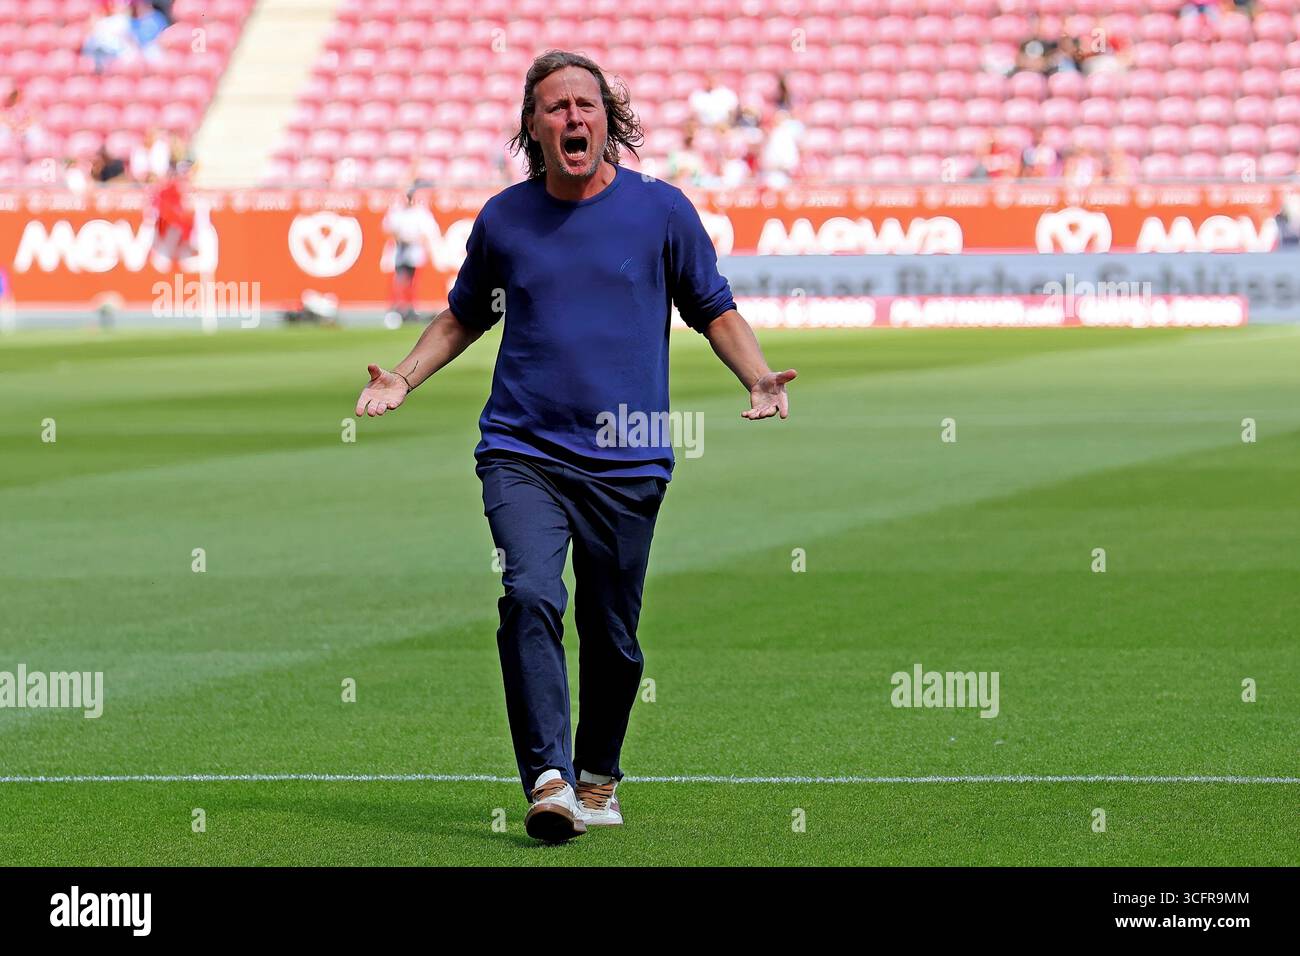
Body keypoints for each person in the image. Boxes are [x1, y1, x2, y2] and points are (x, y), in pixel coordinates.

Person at [353, 50, 796, 844]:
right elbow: (463, 314)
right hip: (522, 448)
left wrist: (758, 378)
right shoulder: (504, 218)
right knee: (528, 592)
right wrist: (405, 380)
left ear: (608, 119)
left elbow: (713, 307)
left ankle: (598, 773)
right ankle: (549, 778)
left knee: (613, 633)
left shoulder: (662, 212)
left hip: (630, 458)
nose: (572, 119)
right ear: (533, 126)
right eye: (554, 108)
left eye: (584, 105)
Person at [381, 186, 435, 326]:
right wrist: (401, 238)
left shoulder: (420, 213)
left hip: (414, 250)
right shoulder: (397, 212)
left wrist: (415, 240)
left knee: (412, 281)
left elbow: (427, 233)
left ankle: (411, 308)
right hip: (400, 250)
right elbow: (388, 228)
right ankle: (399, 307)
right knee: (399, 280)